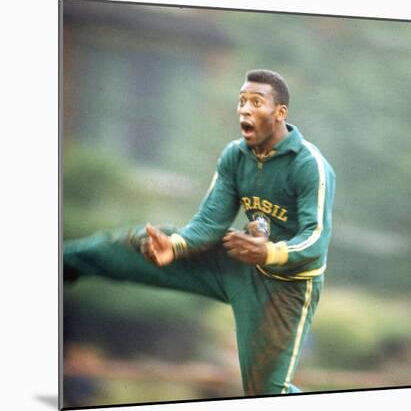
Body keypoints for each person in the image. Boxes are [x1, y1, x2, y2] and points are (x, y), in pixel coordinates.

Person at [64, 69, 336, 396]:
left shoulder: (309, 165)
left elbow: (315, 239)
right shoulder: (236, 156)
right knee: (143, 243)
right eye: (241, 102)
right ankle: (66, 261)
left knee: (267, 392)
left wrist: (268, 252)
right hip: (237, 261)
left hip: (285, 287)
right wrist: (176, 246)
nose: (245, 110)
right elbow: (209, 222)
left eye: (256, 102)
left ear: (280, 113)